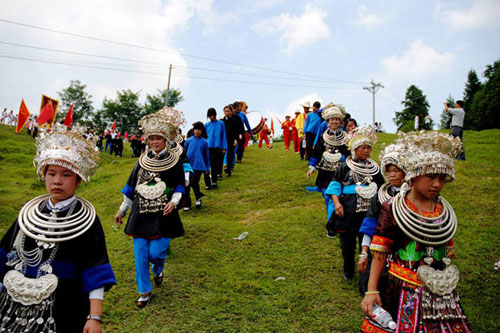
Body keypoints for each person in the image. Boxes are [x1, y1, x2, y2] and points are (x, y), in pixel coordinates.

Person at [0, 124, 116, 332]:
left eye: (66, 175)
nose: (57, 181)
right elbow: (4, 254)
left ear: (79, 179)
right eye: (51, 173)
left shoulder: (87, 220)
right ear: (43, 175)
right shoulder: (29, 214)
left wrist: (95, 317)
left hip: (64, 305)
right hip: (13, 301)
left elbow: (95, 267)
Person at [360, 131, 470, 332]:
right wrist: (372, 290)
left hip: (439, 288)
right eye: (430, 177)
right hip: (400, 286)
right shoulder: (392, 208)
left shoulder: (443, 211)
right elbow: (380, 252)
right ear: (414, 175)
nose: (437, 184)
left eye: (442, 178)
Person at [115, 107, 185, 308]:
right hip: (140, 215)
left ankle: (158, 269)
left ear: (166, 141)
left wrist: (174, 202)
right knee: (140, 255)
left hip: (164, 214)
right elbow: (130, 188)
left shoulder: (174, 163)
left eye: (158, 138)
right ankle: (144, 292)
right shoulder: (141, 162)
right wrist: (122, 210)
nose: (154, 142)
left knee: (155, 253)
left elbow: (179, 186)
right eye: (151, 138)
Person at [325, 126, 384, 281]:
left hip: (369, 212)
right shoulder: (344, 167)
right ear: (355, 149)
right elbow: (335, 186)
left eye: (368, 148)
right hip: (348, 212)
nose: (366, 151)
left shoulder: (375, 170)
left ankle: (366, 269)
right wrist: (337, 203)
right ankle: (348, 269)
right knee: (347, 243)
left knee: (366, 241)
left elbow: (382, 190)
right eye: (363, 148)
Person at [357, 143, 405, 294]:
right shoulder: (380, 195)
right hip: (379, 246)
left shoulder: (412, 196)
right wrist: (364, 251)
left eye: (396, 171)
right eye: (389, 171)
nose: (391, 175)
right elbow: (370, 223)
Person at [307, 104, 350, 238]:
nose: (334, 122)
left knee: (334, 197)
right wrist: (312, 168)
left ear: (340, 121)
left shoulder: (347, 138)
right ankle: (332, 219)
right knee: (327, 197)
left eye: (337, 119)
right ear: (327, 121)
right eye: (332, 119)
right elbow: (316, 153)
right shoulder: (322, 137)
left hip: (339, 172)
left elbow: (350, 154)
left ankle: (331, 225)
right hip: (325, 172)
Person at [184, 121, 211, 208]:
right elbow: (184, 153)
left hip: (199, 166)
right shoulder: (188, 141)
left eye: (199, 129)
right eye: (195, 129)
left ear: (202, 131)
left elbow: (207, 156)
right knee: (186, 184)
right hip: (188, 166)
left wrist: (207, 168)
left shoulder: (204, 142)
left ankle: (198, 198)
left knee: (194, 182)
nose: (197, 131)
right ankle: (187, 203)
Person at [205, 107, 227, 188]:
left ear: (215, 115)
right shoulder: (207, 125)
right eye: (210, 116)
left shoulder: (221, 124)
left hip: (218, 147)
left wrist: (224, 147)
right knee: (209, 165)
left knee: (215, 165)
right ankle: (208, 182)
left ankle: (214, 181)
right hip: (209, 147)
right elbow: (204, 137)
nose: (211, 117)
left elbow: (223, 135)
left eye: (212, 115)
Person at [222, 104, 243, 176]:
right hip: (224, 140)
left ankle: (228, 169)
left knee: (230, 154)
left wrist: (236, 139)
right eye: (225, 111)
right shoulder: (222, 121)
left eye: (228, 111)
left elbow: (238, 130)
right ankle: (225, 166)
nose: (226, 113)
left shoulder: (235, 120)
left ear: (231, 112)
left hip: (232, 140)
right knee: (225, 153)